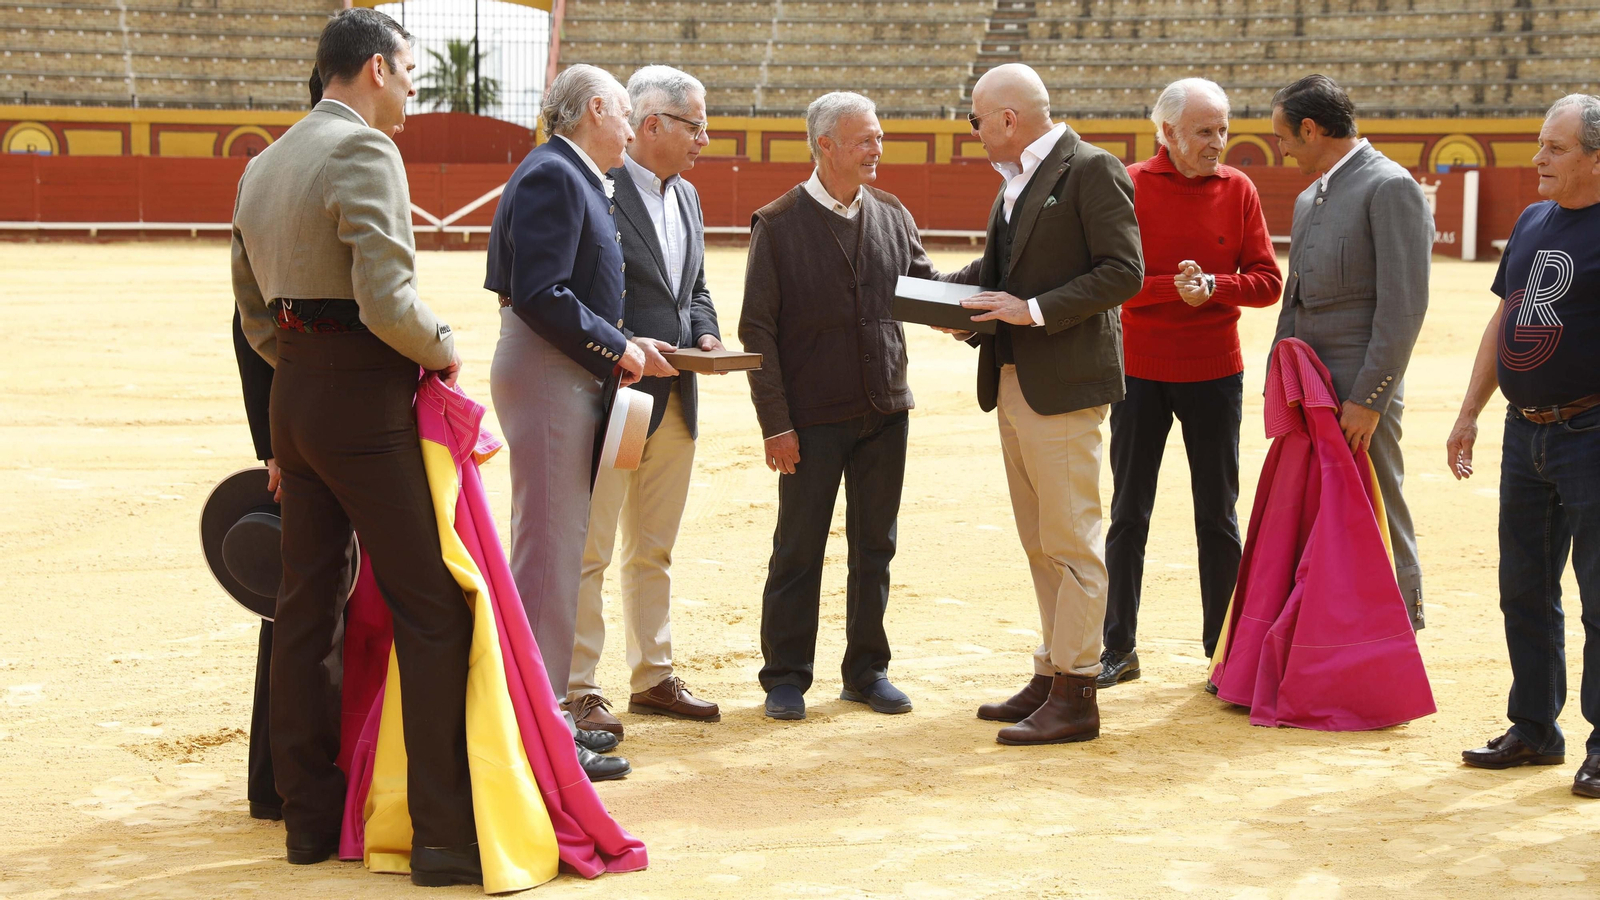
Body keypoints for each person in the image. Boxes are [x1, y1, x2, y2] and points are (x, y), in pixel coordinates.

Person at [232, 8, 480, 885]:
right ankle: (443, 833)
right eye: (409, 71)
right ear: (376, 68)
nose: (413, 88)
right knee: (432, 605)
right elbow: (387, 300)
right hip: (362, 399)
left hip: (293, 395)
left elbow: (251, 311)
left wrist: (302, 364)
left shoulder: (264, 162)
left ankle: (307, 818)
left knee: (308, 606)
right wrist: (444, 347)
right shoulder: (365, 151)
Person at [937, 63, 1142, 745]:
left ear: (1008, 118)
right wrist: (943, 299)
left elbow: (1124, 272)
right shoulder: (1016, 180)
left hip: (1064, 380)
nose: (973, 130)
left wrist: (1029, 310)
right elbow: (999, 273)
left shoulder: (1091, 169)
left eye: (976, 119)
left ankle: (1078, 690)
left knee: (1072, 539)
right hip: (1014, 377)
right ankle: (1055, 668)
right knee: (1040, 540)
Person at [485, 64, 669, 776]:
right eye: (624, 114)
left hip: (560, 367)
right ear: (596, 109)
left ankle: (545, 715)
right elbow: (541, 292)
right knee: (549, 552)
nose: (630, 129)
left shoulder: (566, 174)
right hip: (548, 370)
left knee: (557, 549)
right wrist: (616, 345)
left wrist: (620, 340)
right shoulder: (556, 175)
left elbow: (563, 292)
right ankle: (539, 728)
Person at [739, 91, 937, 721]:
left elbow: (926, 290)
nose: (877, 149)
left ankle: (867, 671)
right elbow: (757, 331)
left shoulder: (892, 212)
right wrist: (776, 424)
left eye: (879, 137)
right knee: (799, 548)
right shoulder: (777, 223)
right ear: (825, 145)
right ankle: (785, 676)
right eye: (864, 139)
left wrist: (992, 289)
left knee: (875, 546)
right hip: (811, 419)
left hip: (885, 409)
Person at [1099, 78, 1282, 688]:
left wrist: (1214, 287)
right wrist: (1172, 289)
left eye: (1223, 129)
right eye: (1205, 131)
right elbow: (1109, 278)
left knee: (1218, 516)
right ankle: (1118, 648)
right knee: (1128, 512)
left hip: (1215, 373)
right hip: (1138, 372)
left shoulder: (1239, 189)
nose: (1217, 142)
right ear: (1168, 132)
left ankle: (1223, 653)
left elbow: (1267, 281)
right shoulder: (1128, 184)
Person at [1451, 94, 1600, 796]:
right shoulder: (1532, 220)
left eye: (1555, 148)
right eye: (1541, 143)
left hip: (1591, 431)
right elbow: (1504, 318)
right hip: (1524, 432)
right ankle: (1535, 727)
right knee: (1524, 588)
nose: (1538, 158)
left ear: (1596, 159)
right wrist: (1469, 412)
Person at [568, 65, 724, 736]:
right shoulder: (596, 189)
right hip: (617, 395)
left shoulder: (687, 195)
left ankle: (653, 676)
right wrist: (625, 347)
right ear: (652, 124)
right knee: (591, 549)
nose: (704, 140)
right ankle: (578, 688)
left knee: (654, 548)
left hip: (677, 397)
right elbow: (575, 296)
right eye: (696, 126)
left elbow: (695, 288)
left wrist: (707, 333)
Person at [1269, 73, 1432, 630]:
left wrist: (1369, 398)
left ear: (1311, 130)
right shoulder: (1307, 198)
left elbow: (1403, 307)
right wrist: (1281, 381)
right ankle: (1324, 630)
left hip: (1359, 392)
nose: (1282, 149)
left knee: (1377, 502)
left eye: (1283, 137)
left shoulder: (1390, 186)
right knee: (1314, 508)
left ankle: (1400, 625)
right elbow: (1294, 300)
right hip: (1311, 390)